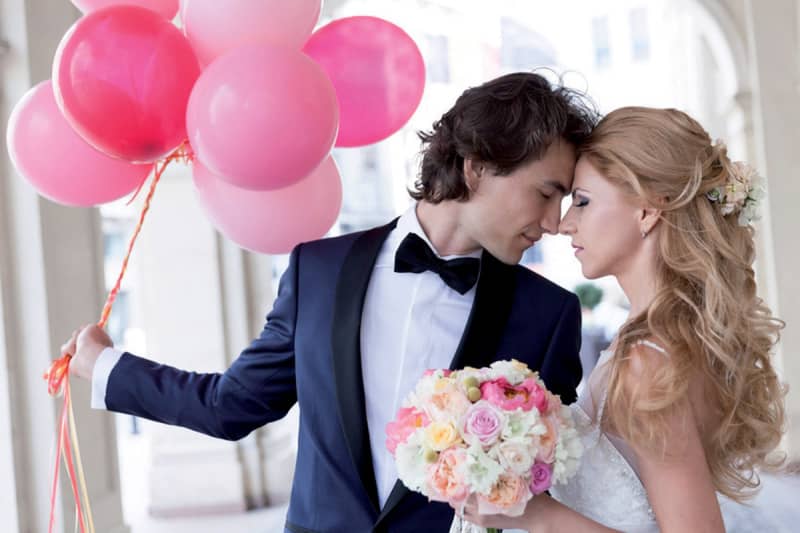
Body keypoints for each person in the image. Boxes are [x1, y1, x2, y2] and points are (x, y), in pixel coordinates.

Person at [61, 72, 599, 533]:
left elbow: (553, 483)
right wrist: (104, 365)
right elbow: (232, 406)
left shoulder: (548, 315)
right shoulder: (318, 271)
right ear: (477, 166)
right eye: (546, 193)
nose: (554, 223)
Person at [457, 107, 786, 532]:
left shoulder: (648, 364)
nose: (564, 224)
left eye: (582, 201)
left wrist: (539, 515)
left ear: (647, 212)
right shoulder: (662, 342)